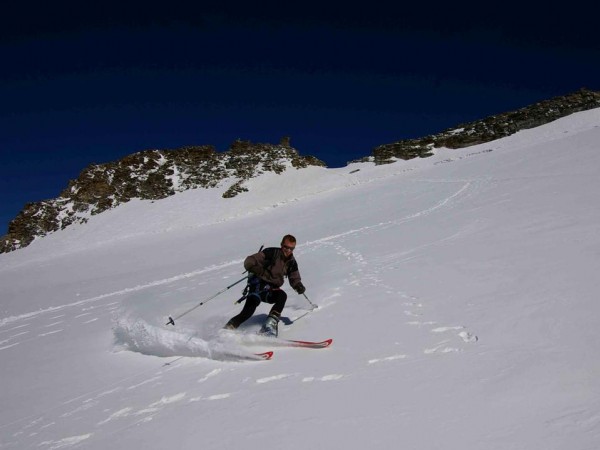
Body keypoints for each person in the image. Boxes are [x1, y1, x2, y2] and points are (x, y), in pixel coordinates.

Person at [224, 234, 306, 337]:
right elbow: (249, 261)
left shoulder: (291, 262)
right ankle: (227, 329)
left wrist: (298, 285)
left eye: (291, 249)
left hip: (271, 290)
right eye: (286, 247)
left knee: (282, 296)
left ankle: (269, 326)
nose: (288, 251)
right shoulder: (271, 253)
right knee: (247, 312)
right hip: (258, 285)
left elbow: (294, 278)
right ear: (281, 245)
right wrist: (258, 270)